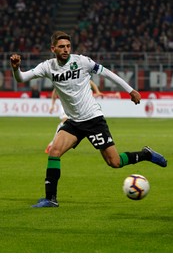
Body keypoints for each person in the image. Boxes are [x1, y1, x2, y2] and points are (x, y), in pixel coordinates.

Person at [10, 31, 167, 208]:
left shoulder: (82, 61)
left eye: (68, 46)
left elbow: (107, 73)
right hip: (74, 122)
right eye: (61, 47)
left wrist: (130, 90)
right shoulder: (47, 67)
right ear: (53, 48)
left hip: (93, 119)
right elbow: (21, 78)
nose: (66, 50)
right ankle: (50, 199)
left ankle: (146, 154)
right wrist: (16, 68)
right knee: (54, 151)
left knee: (114, 162)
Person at [45, 80, 104, 153]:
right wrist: (52, 105)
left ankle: (57, 143)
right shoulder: (65, 78)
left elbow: (92, 83)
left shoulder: (82, 77)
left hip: (78, 107)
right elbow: (55, 91)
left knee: (74, 124)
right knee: (64, 121)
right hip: (66, 104)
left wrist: (97, 92)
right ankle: (53, 144)